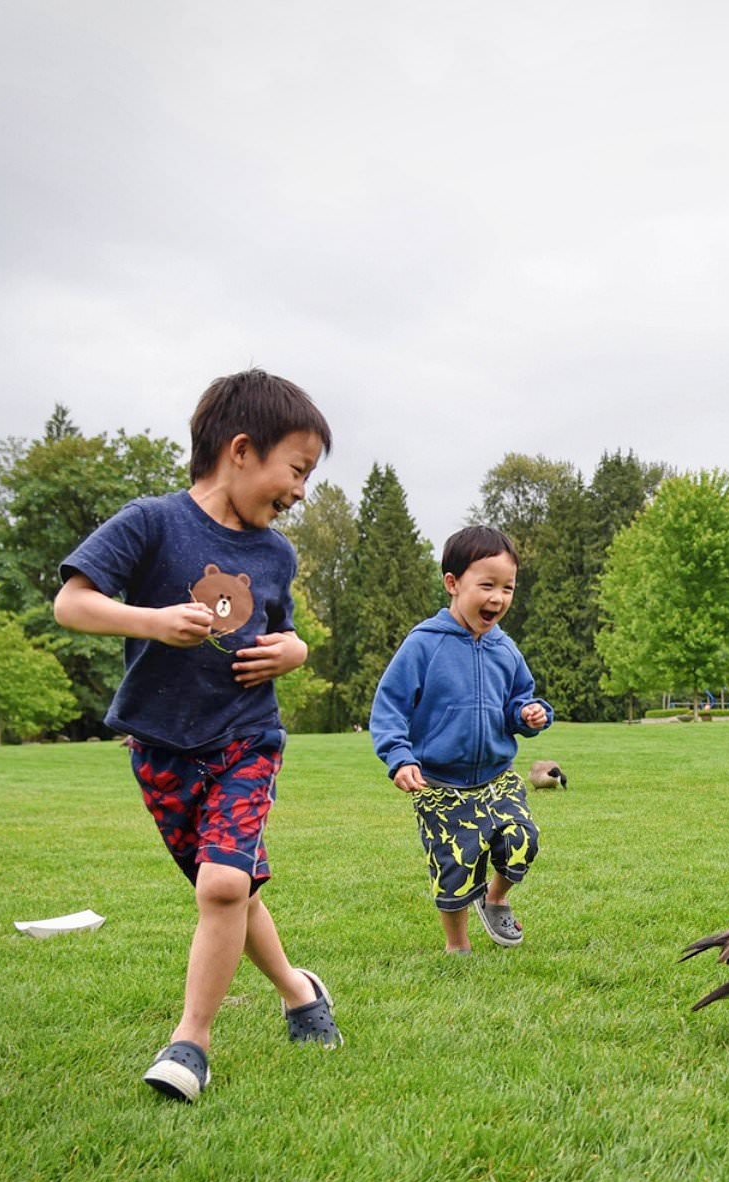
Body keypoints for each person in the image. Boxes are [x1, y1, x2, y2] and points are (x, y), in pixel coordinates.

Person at [53, 369, 342, 1103]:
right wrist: (152, 620)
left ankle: (193, 1042)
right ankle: (299, 989)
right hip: (159, 747)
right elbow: (71, 603)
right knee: (231, 895)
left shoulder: (276, 553)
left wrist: (296, 651)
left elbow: (279, 633)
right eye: (298, 469)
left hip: (246, 740)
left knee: (222, 885)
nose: (302, 490)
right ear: (241, 449)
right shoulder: (152, 522)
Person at [369, 525, 554, 954]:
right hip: (439, 781)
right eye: (486, 585)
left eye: (508, 587)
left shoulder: (506, 650)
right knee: (455, 863)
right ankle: (458, 945)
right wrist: (399, 757)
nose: (498, 598)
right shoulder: (423, 645)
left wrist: (528, 714)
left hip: (495, 774)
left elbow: (517, 702)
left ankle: (496, 899)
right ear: (452, 584)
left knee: (522, 838)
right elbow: (390, 707)